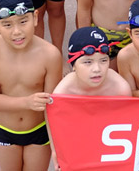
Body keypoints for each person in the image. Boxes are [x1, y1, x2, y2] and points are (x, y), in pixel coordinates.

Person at [0, 0, 62, 171]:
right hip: (5, 130)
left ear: (35, 18)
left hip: (39, 130)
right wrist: (27, 102)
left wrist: (56, 147)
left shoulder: (50, 55)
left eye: (23, 21)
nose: (16, 31)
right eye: (7, 25)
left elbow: (52, 107)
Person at [50, 27, 133, 170]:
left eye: (103, 60)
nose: (97, 69)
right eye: (88, 62)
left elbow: (128, 128)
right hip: (80, 142)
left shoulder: (119, 88)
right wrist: (55, 149)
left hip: (110, 144)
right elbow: (53, 120)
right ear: (73, 65)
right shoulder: (63, 92)